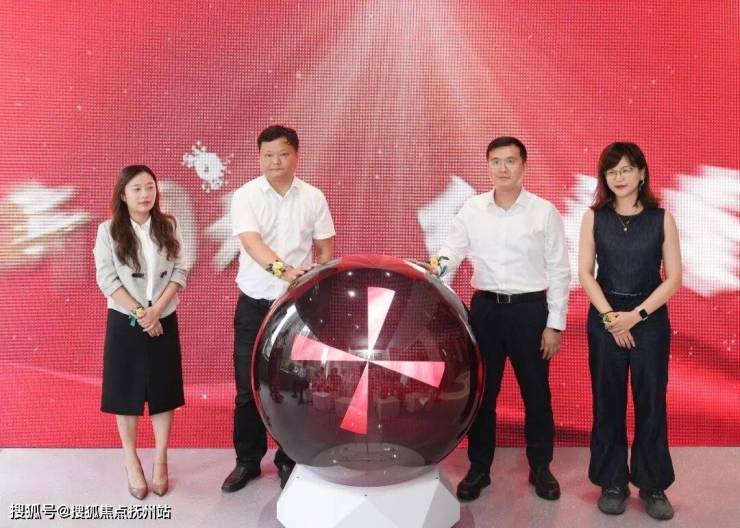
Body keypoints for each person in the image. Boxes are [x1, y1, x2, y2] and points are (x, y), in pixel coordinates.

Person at [429, 136, 570, 502]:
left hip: (530, 311)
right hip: (486, 312)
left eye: (510, 161)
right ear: (487, 166)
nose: (503, 168)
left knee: (536, 395)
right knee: (482, 395)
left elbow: (559, 270)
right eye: (495, 161)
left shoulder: (543, 212)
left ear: (524, 166)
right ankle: (479, 469)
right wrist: (434, 272)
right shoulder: (472, 209)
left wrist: (554, 324)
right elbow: (451, 252)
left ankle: (541, 467)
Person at [221, 125, 336, 492]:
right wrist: (284, 271)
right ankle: (247, 462)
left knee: (294, 387)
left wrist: (316, 281)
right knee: (247, 388)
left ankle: (290, 459)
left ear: (296, 156)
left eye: (283, 154)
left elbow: (325, 247)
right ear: (259, 157)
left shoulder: (313, 197)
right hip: (254, 304)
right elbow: (252, 243)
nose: (275, 162)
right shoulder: (246, 195)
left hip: (297, 308)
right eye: (268, 155)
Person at [578, 142, 681, 520]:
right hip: (605, 317)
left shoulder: (661, 218)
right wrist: (610, 318)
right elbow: (585, 273)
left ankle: (652, 485)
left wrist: (635, 316)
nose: (618, 177)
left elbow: (674, 279)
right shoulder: (594, 217)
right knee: (607, 400)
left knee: (651, 400)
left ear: (641, 173)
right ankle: (612, 482)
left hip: (648, 318)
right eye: (611, 171)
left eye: (626, 169)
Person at [93, 165, 189, 500]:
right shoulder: (108, 231)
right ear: (123, 194)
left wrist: (156, 311)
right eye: (136, 188)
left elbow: (180, 269)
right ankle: (131, 460)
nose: (145, 194)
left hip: (163, 316)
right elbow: (107, 279)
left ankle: (161, 458)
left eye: (150, 187)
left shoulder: (168, 225)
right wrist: (141, 314)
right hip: (126, 319)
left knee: (164, 389)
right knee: (126, 391)